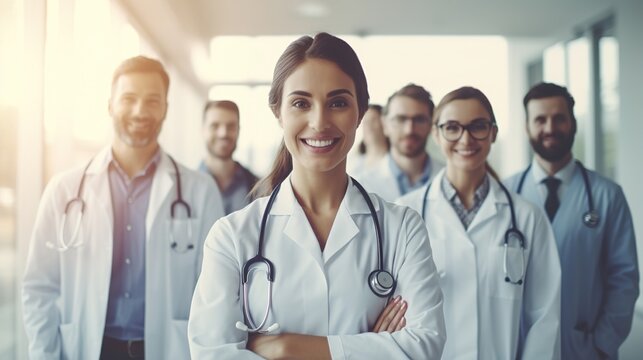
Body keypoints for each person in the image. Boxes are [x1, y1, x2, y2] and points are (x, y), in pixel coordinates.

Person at [188, 32, 446, 359]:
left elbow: (424, 346)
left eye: (338, 102)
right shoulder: (232, 236)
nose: (319, 121)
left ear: (361, 112)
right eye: (300, 103)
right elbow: (213, 354)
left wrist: (284, 348)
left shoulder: (402, 229)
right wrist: (372, 348)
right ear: (278, 112)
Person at [22, 56, 225, 360]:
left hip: (168, 350)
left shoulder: (200, 191)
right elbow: (39, 288)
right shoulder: (64, 190)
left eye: (152, 100)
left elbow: (215, 292)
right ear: (110, 105)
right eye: (128, 98)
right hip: (87, 349)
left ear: (166, 109)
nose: (140, 111)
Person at [398, 86, 561, 359]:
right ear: (436, 134)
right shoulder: (406, 213)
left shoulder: (527, 217)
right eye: (452, 127)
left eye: (478, 126)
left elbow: (544, 318)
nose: (466, 138)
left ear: (493, 133)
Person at [504, 82, 639, 359]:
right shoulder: (505, 196)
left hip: (585, 348)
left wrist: (602, 344)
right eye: (540, 119)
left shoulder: (607, 195)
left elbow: (624, 278)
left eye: (559, 118)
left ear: (573, 123)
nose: (550, 128)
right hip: (519, 348)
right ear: (527, 126)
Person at [356, 83, 443, 201]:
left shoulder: (448, 179)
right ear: (384, 125)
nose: (409, 130)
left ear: (431, 124)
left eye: (419, 120)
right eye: (400, 119)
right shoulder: (361, 186)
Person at [199, 100, 258, 215]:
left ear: (238, 131)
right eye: (215, 126)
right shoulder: (186, 185)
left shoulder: (258, 186)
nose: (223, 133)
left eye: (231, 126)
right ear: (203, 130)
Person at [347, 104, 389, 176]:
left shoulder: (394, 162)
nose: (369, 125)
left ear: (384, 124)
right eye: (365, 122)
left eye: (373, 120)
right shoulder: (354, 161)